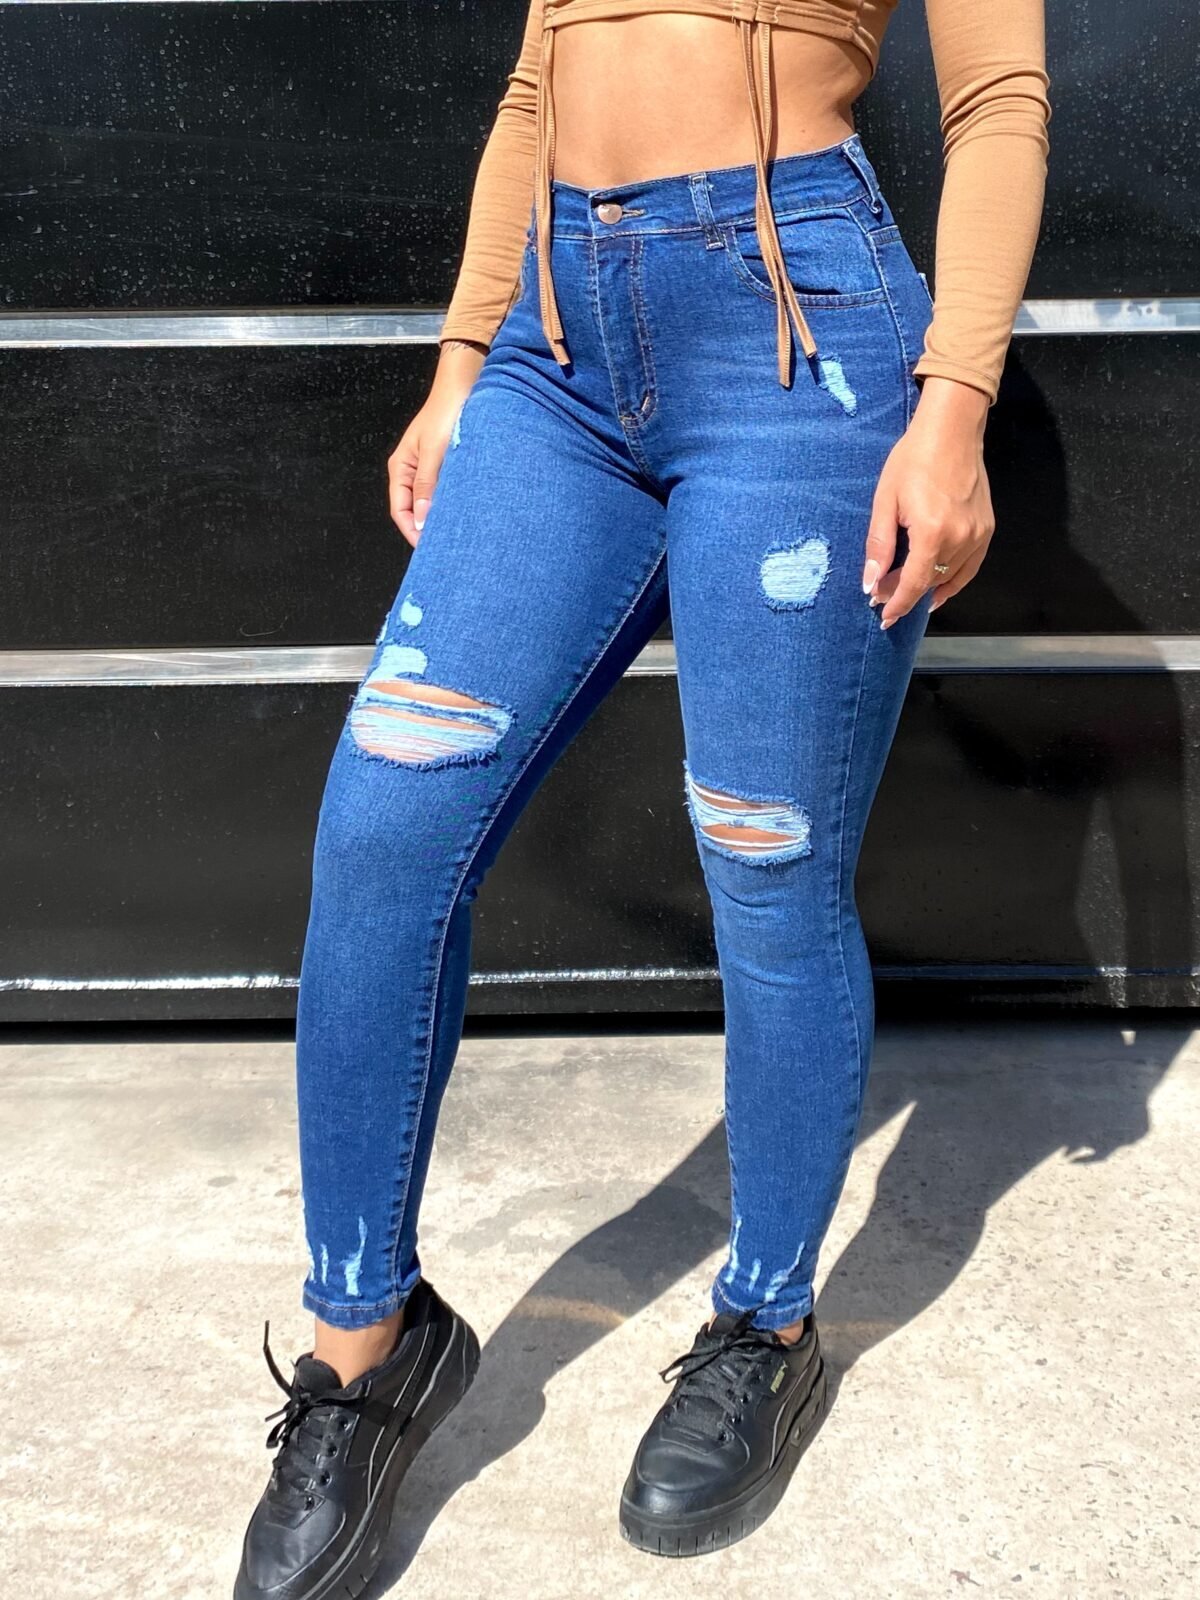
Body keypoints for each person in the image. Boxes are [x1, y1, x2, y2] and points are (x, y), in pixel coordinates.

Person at [234, 2, 1049, 1593]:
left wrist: (955, 409)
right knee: (386, 831)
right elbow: (537, 77)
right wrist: (461, 358)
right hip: (554, 347)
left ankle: (768, 1325)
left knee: (766, 855)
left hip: (797, 332)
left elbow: (1000, 98)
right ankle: (364, 1342)